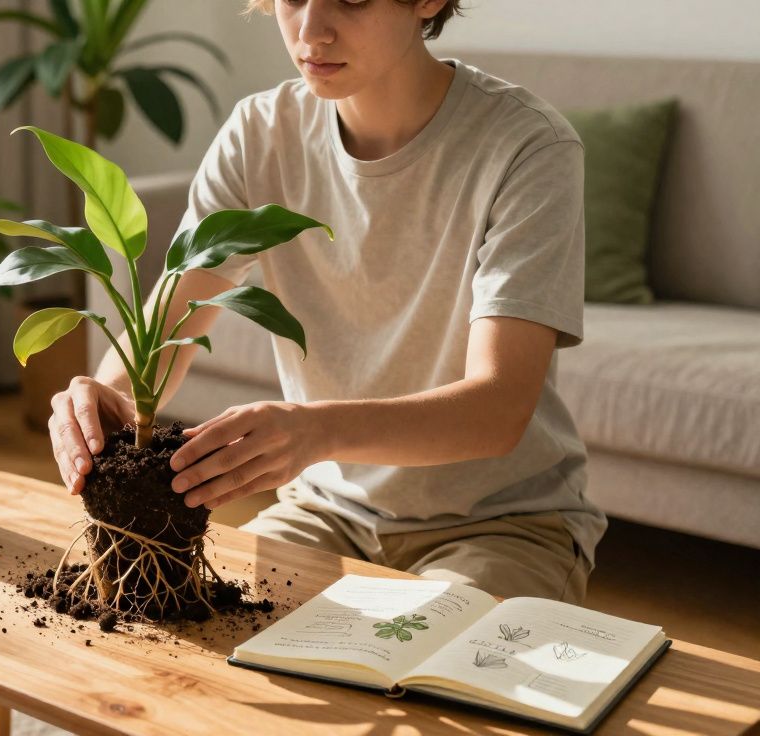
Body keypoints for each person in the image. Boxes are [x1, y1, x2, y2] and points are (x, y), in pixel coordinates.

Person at [47, 0, 606, 605]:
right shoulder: (260, 133)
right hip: (324, 510)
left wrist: (314, 431)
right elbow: (176, 306)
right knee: (196, 633)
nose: (310, 32)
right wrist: (111, 393)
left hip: (501, 526)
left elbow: (498, 409)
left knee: (427, 655)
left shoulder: (528, 145)